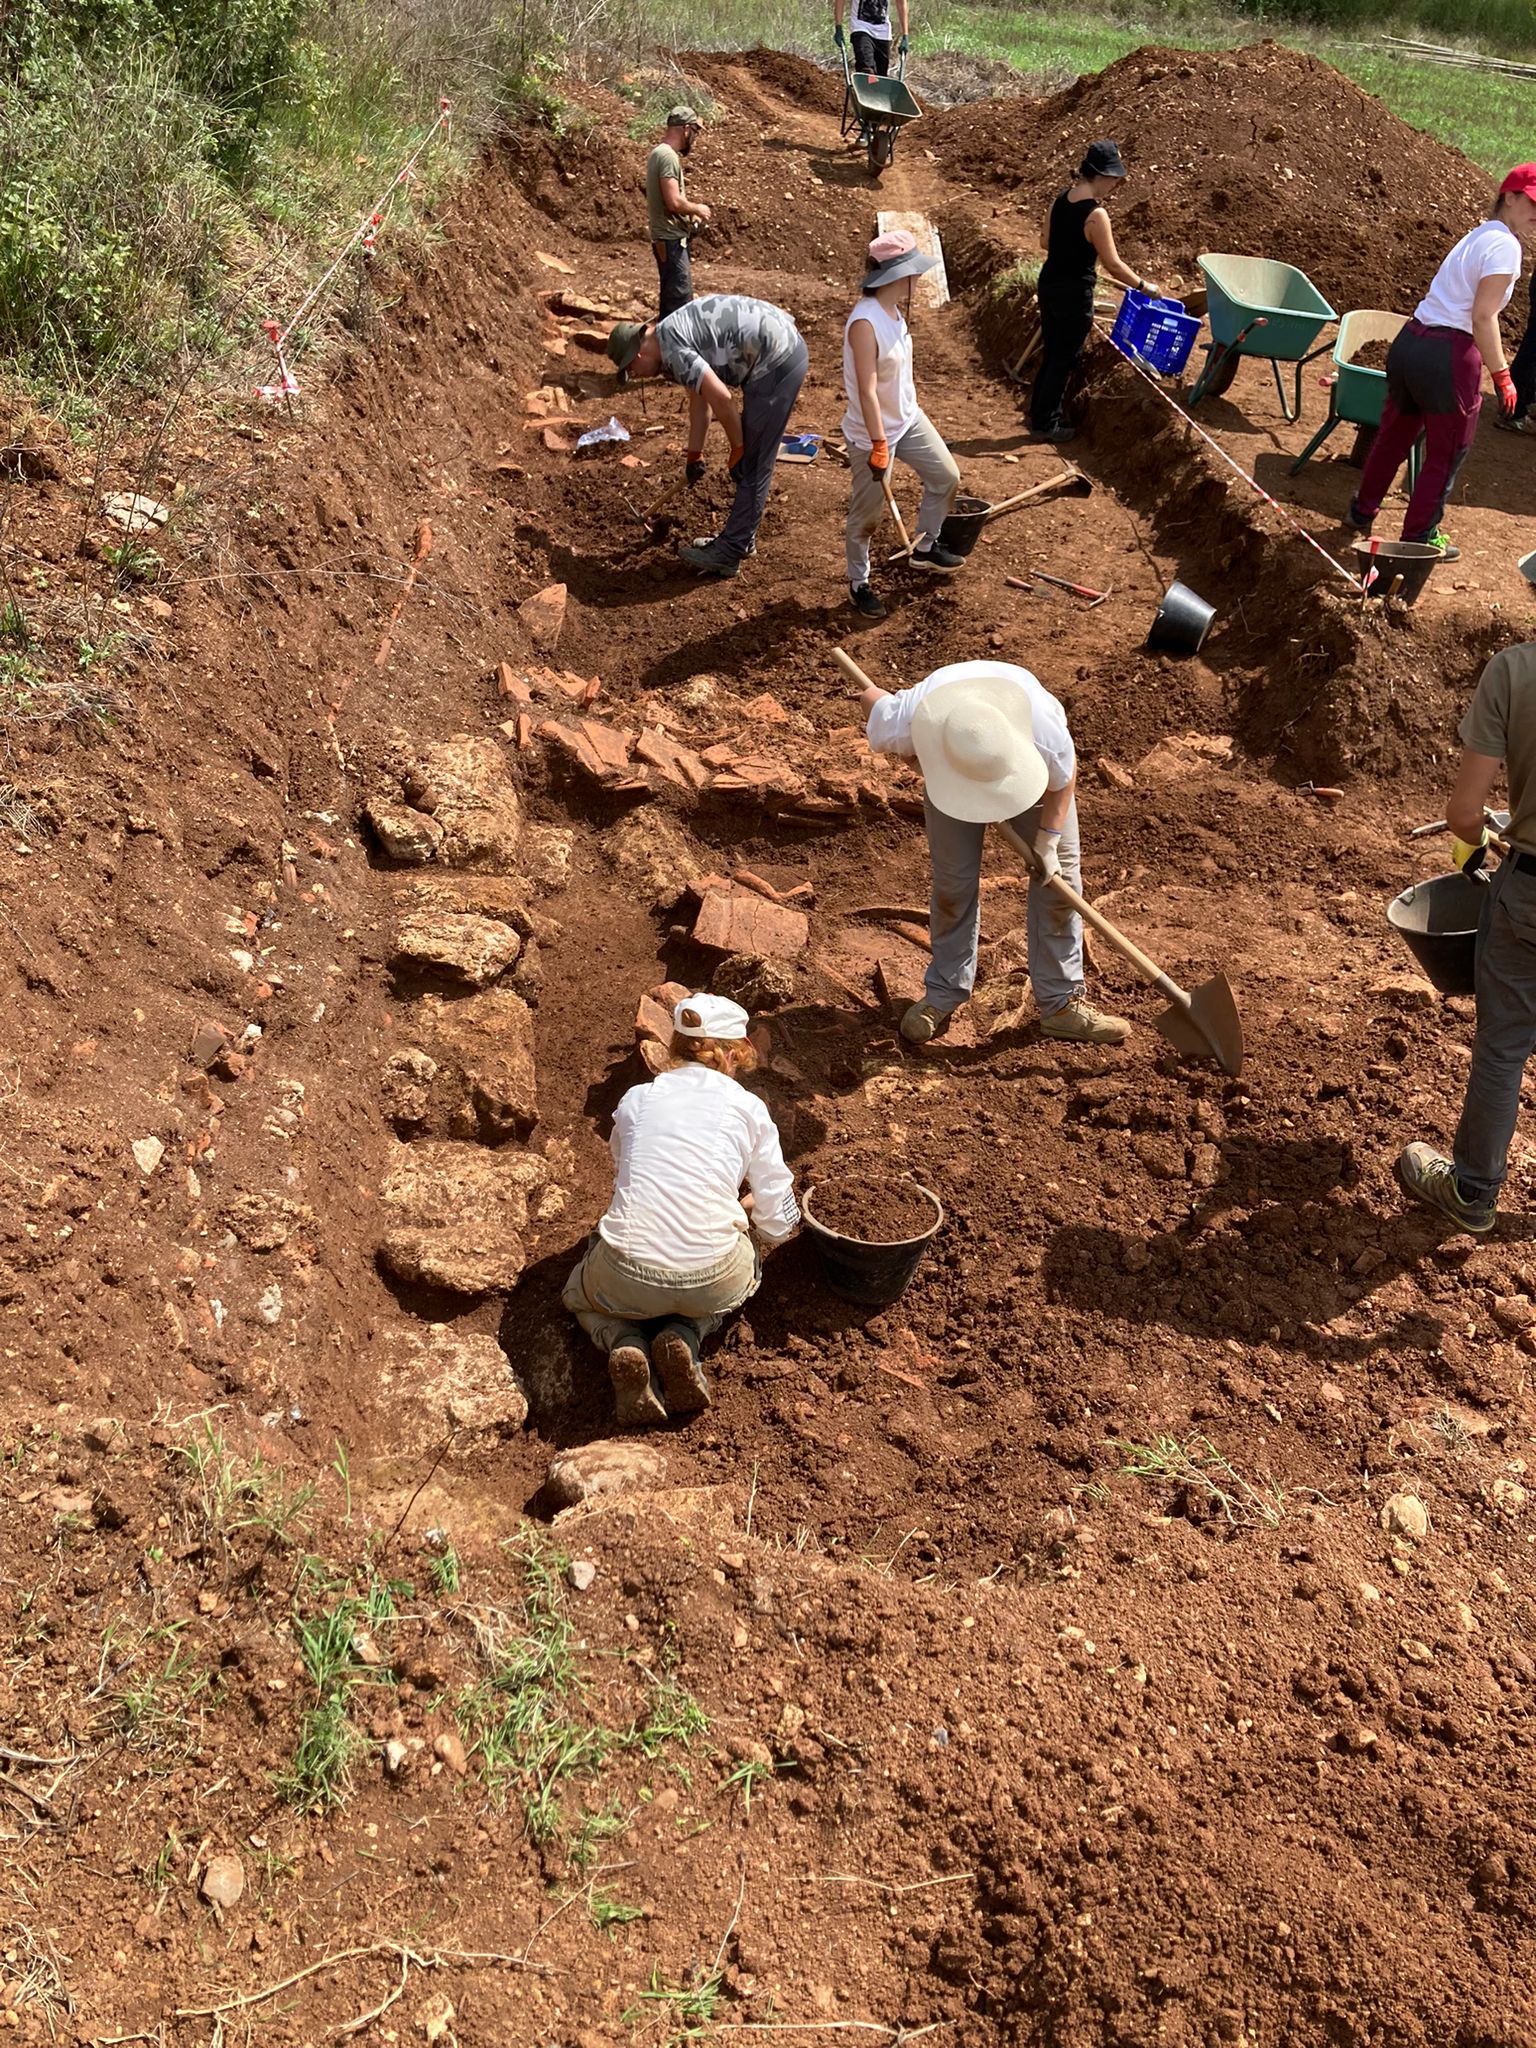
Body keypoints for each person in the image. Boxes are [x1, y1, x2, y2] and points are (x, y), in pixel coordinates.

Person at [859, 659, 1131, 1047]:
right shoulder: (910, 717)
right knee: (953, 883)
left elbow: (1064, 777)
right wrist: (868, 698)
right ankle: (944, 993)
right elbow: (875, 701)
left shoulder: (1043, 730)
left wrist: (1049, 841)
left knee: (1060, 884)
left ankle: (1061, 1004)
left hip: (1027, 776)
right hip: (951, 775)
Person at [563, 994, 799, 1426]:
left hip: (624, 1276)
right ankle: (688, 1334)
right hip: (710, 1280)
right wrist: (745, 1211)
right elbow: (780, 1223)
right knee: (744, 1265)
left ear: (677, 1045)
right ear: (731, 1054)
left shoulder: (635, 1100)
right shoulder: (749, 1108)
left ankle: (622, 1339)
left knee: (578, 1295)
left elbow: (627, 1169)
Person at [1398, 638, 1536, 1234]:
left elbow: (1464, 812)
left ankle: (1474, 1190)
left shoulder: (1516, 669)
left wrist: (1477, 841)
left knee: (1503, 1049)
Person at [1351, 164, 1536, 557]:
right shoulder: (1506, 246)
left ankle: (1360, 511)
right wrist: (1503, 375)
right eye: (1532, 202)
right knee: (1447, 451)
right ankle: (1419, 536)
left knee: (1393, 437)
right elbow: (1483, 316)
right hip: (1448, 356)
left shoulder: (1478, 235)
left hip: (1411, 342)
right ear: (1509, 196)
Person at [607, 295, 809, 577]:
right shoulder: (670, 336)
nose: (637, 377)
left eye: (631, 372)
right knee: (751, 457)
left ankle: (730, 552)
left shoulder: (674, 350)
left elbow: (723, 400)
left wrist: (737, 447)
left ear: (637, 356)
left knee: (752, 461)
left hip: (778, 358)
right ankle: (742, 537)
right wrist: (694, 454)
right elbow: (699, 400)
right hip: (775, 348)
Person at [842, 230, 963, 618]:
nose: (919, 278)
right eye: (913, 272)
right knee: (867, 518)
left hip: (907, 419)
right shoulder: (865, 322)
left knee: (946, 476)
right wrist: (878, 443)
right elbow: (867, 391)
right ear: (896, 275)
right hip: (872, 433)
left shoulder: (895, 312)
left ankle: (926, 548)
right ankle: (859, 583)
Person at [1030, 139, 1159, 445]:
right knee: (1065, 358)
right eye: (1114, 179)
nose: (1115, 185)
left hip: (1050, 284)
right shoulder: (1096, 215)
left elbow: (1045, 243)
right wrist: (1145, 287)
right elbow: (1113, 264)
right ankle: (1046, 425)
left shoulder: (1060, 199)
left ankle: (1040, 415)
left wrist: (1070, 249)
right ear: (1099, 175)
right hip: (1074, 293)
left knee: (1052, 352)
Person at [646, 106, 711, 321]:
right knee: (679, 307)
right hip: (671, 242)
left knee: (670, 303)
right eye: (695, 131)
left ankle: (661, 350)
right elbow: (673, 201)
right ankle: (671, 352)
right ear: (685, 129)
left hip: (668, 240)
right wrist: (697, 209)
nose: (695, 137)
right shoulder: (667, 156)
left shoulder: (659, 153)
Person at [834, 0, 908, 80]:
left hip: (883, 33)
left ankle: (858, 90)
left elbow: (901, 3)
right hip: (861, 27)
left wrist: (905, 35)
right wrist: (838, 26)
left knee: (881, 77)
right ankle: (866, 87)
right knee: (867, 69)